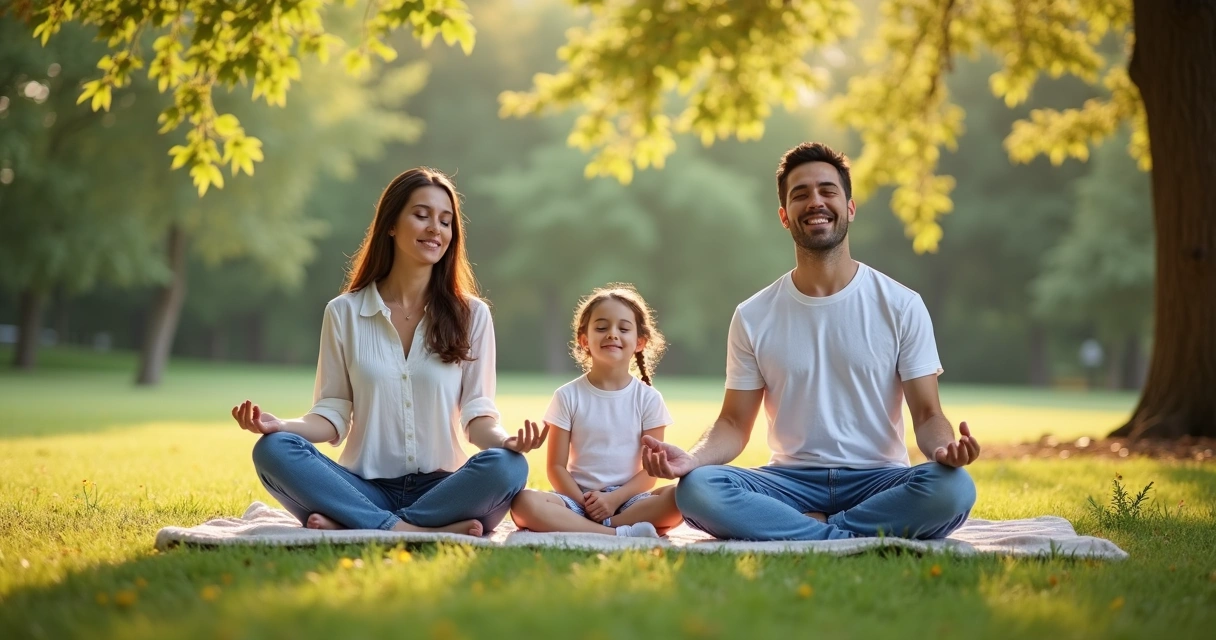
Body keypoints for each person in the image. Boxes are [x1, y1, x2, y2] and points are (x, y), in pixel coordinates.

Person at [641, 142, 979, 541]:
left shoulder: (902, 305)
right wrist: (692, 459)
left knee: (954, 488)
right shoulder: (753, 314)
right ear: (785, 216)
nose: (815, 201)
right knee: (699, 488)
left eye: (827, 190)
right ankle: (847, 535)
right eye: (800, 194)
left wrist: (943, 451)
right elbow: (733, 422)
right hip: (789, 483)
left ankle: (814, 533)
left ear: (849, 207)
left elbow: (926, 414)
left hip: (879, 480)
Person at [231, 167, 546, 536]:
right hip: (363, 487)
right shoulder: (344, 312)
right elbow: (331, 414)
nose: (435, 229)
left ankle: (356, 523)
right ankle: (411, 528)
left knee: (509, 467)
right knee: (273, 450)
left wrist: (505, 441)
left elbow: (477, 416)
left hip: (445, 490)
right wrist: (281, 426)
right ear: (391, 225)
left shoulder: (472, 315)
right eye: (421, 215)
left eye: (445, 221)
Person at [510, 285, 684, 538]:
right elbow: (556, 467)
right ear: (584, 340)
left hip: (628, 502)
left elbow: (650, 471)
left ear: (639, 342)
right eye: (602, 328)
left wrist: (612, 500)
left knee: (680, 498)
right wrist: (585, 503)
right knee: (524, 503)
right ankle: (618, 534)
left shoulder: (649, 399)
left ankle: (606, 527)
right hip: (576, 500)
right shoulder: (567, 396)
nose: (612, 334)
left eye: (623, 329)